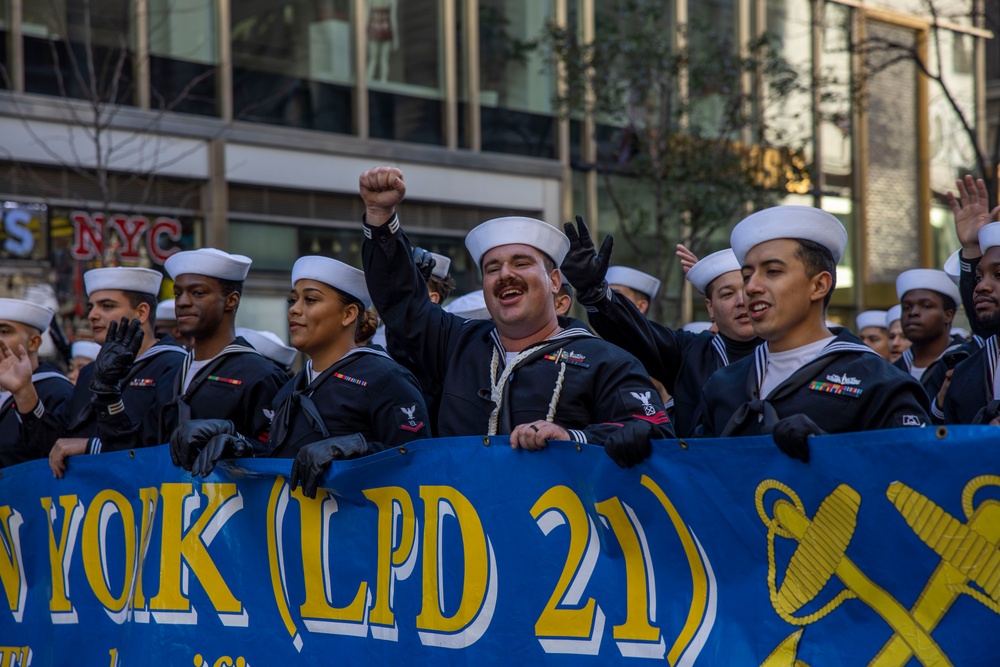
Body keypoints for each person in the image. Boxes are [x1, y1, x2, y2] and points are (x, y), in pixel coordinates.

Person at [359, 165, 672, 467]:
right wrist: (380, 217)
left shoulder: (606, 361)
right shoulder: (455, 343)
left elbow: (656, 434)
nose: (505, 274)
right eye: (492, 269)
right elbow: (401, 302)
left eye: (521, 263)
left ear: (553, 281)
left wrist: (572, 437)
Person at [172, 256, 430, 497]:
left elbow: (419, 463)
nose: (294, 310)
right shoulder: (291, 388)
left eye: (311, 300)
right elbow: (288, 463)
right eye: (292, 300)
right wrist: (242, 445)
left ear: (348, 314)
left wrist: (359, 448)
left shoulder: (385, 378)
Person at [695, 206, 929, 460]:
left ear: (819, 285)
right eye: (747, 275)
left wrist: (828, 451)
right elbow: (697, 475)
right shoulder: (724, 384)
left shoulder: (879, 383)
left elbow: (915, 475)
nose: (750, 288)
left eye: (772, 271)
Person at [561, 221, 761, 438]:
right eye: (727, 294)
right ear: (710, 308)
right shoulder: (690, 352)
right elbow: (635, 332)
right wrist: (595, 293)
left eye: (747, 289)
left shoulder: (787, 350)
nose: (741, 301)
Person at [114, 249, 288, 464]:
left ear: (231, 301)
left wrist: (239, 443)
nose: (182, 302)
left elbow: (279, 457)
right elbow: (135, 452)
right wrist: (107, 393)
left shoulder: (260, 375)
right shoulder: (173, 373)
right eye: (178, 293)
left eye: (198, 293)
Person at [34, 267, 188, 477]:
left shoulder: (174, 365)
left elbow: (161, 445)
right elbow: (59, 446)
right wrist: (24, 391)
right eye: (91, 306)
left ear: (142, 312)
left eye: (107, 306)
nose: (92, 315)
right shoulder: (89, 372)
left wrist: (91, 447)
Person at [0, 299, 74, 466]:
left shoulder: (57, 391)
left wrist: (24, 394)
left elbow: (57, 455)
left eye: (4, 331)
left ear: (34, 342)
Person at [893, 269, 969, 404]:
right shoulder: (892, 369)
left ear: (948, 315)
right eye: (906, 307)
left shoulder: (968, 361)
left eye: (925, 306)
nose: (913, 313)